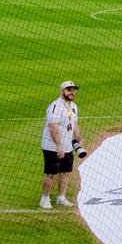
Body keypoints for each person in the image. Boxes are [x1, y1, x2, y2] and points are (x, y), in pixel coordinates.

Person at [40, 81, 81, 209]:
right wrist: (58, 145)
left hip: (67, 145)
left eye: (73, 90)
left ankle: (61, 197)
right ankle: (44, 198)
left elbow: (74, 124)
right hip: (52, 146)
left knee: (65, 172)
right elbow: (52, 127)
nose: (71, 92)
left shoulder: (73, 106)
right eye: (68, 90)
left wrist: (79, 139)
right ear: (62, 91)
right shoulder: (56, 106)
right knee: (51, 173)